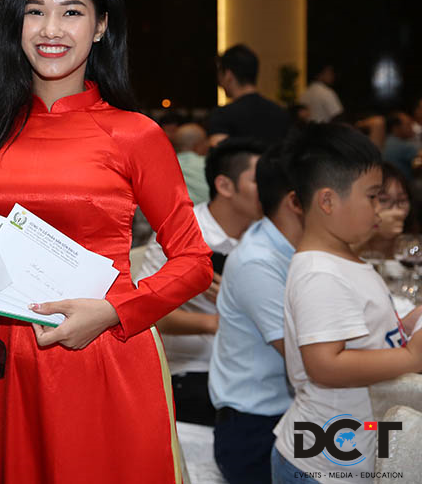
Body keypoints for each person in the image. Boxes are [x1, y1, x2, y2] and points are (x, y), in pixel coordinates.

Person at [0, 0, 212, 483]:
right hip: (13, 363)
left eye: (71, 12)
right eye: (35, 11)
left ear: (100, 26)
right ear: (15, 23)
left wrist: (114, 311)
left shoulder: (134, 135)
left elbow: (194, 261)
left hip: (108, 352)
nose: (52, 29)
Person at [271, 123, 422, 480]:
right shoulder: (319, 273)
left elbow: (363, 334)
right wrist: (411, 356)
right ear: (327, 201)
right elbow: (324, 365)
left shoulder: (342, 260)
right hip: (323, 461)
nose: (378, 210)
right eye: (372, 197)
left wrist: (407, 324)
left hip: (349, 448)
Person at [137, 137, 263, 426]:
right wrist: (222, 320)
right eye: (258, 181)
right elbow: (145, 311)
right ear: (225, 186)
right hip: (192, 367)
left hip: (249, 366)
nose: (269, 189)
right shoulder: (183, 233)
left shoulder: (263, 236)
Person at [208, 145, 303, 484]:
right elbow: (307, 360)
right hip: (257, 430)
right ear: (297, 201)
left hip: (294, 413)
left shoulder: (296, 247)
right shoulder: (257, 261)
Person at [208, 45, 290, 146]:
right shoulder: (281, 113)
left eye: (220, 74)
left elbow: (218, 153)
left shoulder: (222, 116)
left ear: (228, 75)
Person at [355, 163, 414, 259]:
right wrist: (374, 229)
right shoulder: (349, 237)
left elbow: (416, 253)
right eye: (383, 200)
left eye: (402, 200)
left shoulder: (411, 239)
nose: (395, 210)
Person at [173, 122, 211, 205]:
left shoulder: (164, 166)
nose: (208, 145)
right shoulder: (209, 166)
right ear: (197, 145)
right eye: (205, 141)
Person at [382, 110, 421, 180]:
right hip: (404, 183)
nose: (412, 128)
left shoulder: (387, 140)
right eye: (408, 124)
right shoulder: (401, 145)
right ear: (396, 127)